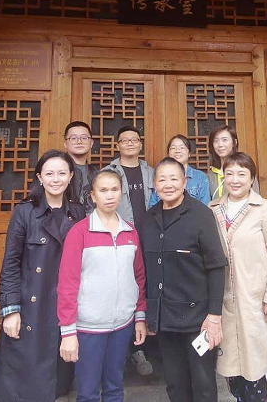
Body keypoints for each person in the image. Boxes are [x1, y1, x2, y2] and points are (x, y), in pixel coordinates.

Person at [0, 150, 86, 402]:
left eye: (62, 173)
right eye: (49, 173)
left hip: (63, 303)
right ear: (40, 178)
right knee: (23, 384)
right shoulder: (25, 212)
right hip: (31, 304)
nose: (56, 179)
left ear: (70, 176)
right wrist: (10, 310)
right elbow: (11, 263)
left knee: (56, 381)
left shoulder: (78, 213)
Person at [140, 157, 227, 402]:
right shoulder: (148, 219)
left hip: (197, 318)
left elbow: (216, 267)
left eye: (174, 178)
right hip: (164, 318)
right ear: (154, 184)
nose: (168, 184)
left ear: (185, 181)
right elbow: (144, 270)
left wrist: (214, 317)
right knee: (174, 383)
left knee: (203, 383)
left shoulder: (201, 215)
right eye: (162, 179)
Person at [57, 169, 147, 402]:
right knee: (87, 392)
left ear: (122, 193)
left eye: (114, 189)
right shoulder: (79, 232)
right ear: (93, 196)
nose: (109, 195)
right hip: (89, 328)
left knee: (115, 387)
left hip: (122, 325)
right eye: (103, 190)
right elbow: (67, 283)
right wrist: (68, 331)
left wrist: (139, 316)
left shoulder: (130, 232)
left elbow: (138, 277)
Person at [209, 152, 267, 402]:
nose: (235, 180)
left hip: (255, 300)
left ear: (252, 178)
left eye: (242, 174)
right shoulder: (212, 209)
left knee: (255, 369)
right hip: (223, 301)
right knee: (232, 372)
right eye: (230, 174)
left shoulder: (265, 208)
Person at [104, 125, 155, 375]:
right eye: (124, 140)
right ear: (118, 145)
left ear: (140, 144)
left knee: (146, 287)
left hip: (150, 238)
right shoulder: (108, 172)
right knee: (123, 288)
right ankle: (125, 350)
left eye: (134, 140)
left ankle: (144, 345)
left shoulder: (151, 172)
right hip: (120, 240)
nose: (130, 143)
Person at [150, 134, 210, 206]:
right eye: (173, 148)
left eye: (182, 147)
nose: (177, 151)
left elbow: (205, 206)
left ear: (189, 153)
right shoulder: (160, 176)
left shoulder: (200, 177)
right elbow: (153, 206)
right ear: (168, 153)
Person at [207, 125, 259, 200]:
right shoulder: (210, 175)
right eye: (215, 141)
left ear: (235, 142)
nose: (220, 145)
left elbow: (255, 198)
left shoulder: (244, 169)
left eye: (224, 140)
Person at [64, 121, 98, 214]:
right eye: (73, 138)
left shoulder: (96, 173)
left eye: (84, 138)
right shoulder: (56, 171)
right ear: (65, 143)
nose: (79, 142)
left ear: (91, 143)